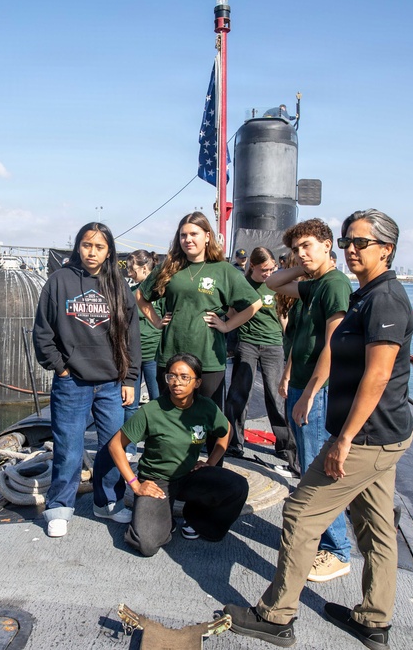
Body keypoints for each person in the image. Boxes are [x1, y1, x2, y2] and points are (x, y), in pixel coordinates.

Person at [224, 209, 413, 650]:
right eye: (348, 240)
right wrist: (300, 258)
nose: (352, 249)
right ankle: (374, 619)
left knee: (300, 513)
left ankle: (275, 616)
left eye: (361, 243)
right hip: (384, 434)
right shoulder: (366, 293)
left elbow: (378, 376)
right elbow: (274, 283)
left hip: (368, 435)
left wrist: (344, 438)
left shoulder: (385, 298)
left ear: (387, 249)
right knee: (376, 526)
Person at [33, 222, 141, 539]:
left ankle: (106, 502)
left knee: (115, 445)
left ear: (109, 251)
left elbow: (132, 335)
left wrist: (130, 378)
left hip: (111, 383)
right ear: (78, 246)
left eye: (99, 246)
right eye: (86, 244)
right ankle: (59, 508)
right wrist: (61, 367)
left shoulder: (118, 285)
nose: (91, 252)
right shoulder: (59, 282)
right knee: (68, 447)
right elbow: (43, 332)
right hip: (72, 383)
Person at [265, 218, 353, 582]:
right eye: (296, 249)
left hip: (316, 391)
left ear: (328, 244)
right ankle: (322, 539)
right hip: (300, 384)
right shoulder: (315, 284)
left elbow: (333, 343)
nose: (302, 254)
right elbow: (271, 282)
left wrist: (312, 393)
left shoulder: (334, 284)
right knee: (307, 467)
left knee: (317, 473)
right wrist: (302, 265)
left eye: (309, 247)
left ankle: (337, 550)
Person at [108, 352, 249, 557]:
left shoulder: (206, 407)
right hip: (157, 481)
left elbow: (225, 431)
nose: (176, 382)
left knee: (237, 486)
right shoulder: (152, 410)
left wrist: (211, 462)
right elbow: (115, 446)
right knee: (146, 545)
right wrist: (135, 484)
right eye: (171, 376)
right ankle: (162, 520)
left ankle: (198, 521)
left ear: (197, 382)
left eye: (185, 377)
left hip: (189, 475)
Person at [135, 212, 260, 413]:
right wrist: (157, 321)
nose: (188, 240)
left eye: (194, 234)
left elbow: (254, 304)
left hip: (208, 359)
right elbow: (141, 295)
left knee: (208, 418)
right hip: (171, 355)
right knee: (171, 418)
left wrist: (227, 325)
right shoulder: (170, 267)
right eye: (183, 235)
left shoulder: (223, 270)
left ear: (207, 236)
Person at [223, 248, 299, 475]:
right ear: (252, 267)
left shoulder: (276, 285)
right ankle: (234, 443)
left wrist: (290, 340)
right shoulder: (243, 285)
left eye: (272, 269)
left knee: (276, 397)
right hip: (247, 343)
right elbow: (230, 309)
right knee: (239, 395)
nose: (268, 273)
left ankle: (284, 445)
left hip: (273, 345)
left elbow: (283, 314)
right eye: (264, 270)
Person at [125, 249, 163, 420]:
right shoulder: (130, 293)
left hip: (154, 355)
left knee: (158, 401)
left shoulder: (161, 292)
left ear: (144, 268)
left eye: (132, 269)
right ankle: (129, 446)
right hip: (133, 356)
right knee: (130, 404)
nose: (129, 273)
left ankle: (159, 441)